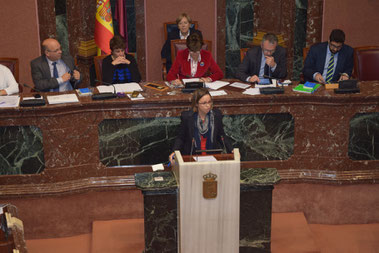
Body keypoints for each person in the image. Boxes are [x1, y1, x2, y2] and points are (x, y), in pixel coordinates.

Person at [169, 88, 233, 164]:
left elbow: (222, 136)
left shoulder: (216, 115)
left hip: (212, 156)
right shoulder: (187, 117)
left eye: (210, 102)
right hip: (192, 156)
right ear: (196, 104)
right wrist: (174, 152)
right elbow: (181, 137)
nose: (208, 105)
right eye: (204, 103)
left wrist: (231, 150)